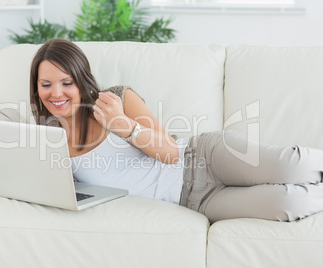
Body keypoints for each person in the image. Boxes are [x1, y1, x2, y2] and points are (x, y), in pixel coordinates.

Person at [27, 38, 323, 223]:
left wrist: (124, 125)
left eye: (66, 82)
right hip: (194, 201)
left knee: (292, 166)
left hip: (204, 155)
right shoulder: (47, 139)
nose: (57, 93)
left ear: (81, 80)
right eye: (46, 84)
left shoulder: (116, 98)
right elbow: (27, 181)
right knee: (288, 203)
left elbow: (169, 152)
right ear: (36, 88)